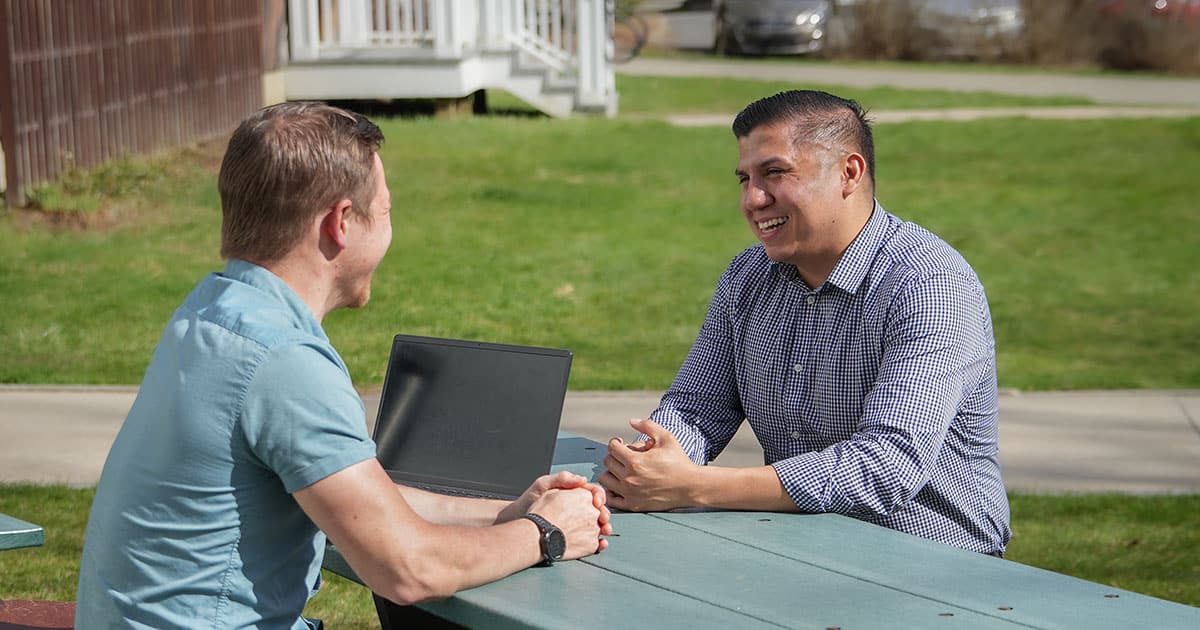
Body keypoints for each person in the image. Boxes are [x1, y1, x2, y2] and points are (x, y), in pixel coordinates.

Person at [75, 102, 612, 629]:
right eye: (385, 212)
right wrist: (546, 533)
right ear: (340, 223)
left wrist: (506, 512)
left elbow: (355, 496)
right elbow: (407, 570)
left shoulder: (212, 313)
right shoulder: (284, 363)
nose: (389, 230)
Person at [599, 90, 1010, 556]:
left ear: (848, 173)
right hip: (802, 545)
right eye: (745, 179)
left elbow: (887, 467)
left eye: (775, 173)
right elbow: (696, 409)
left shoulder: (929, 283)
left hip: (936, 563)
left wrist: (693, 486)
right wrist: (640, 467)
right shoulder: (748, 277)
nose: (753, 199)